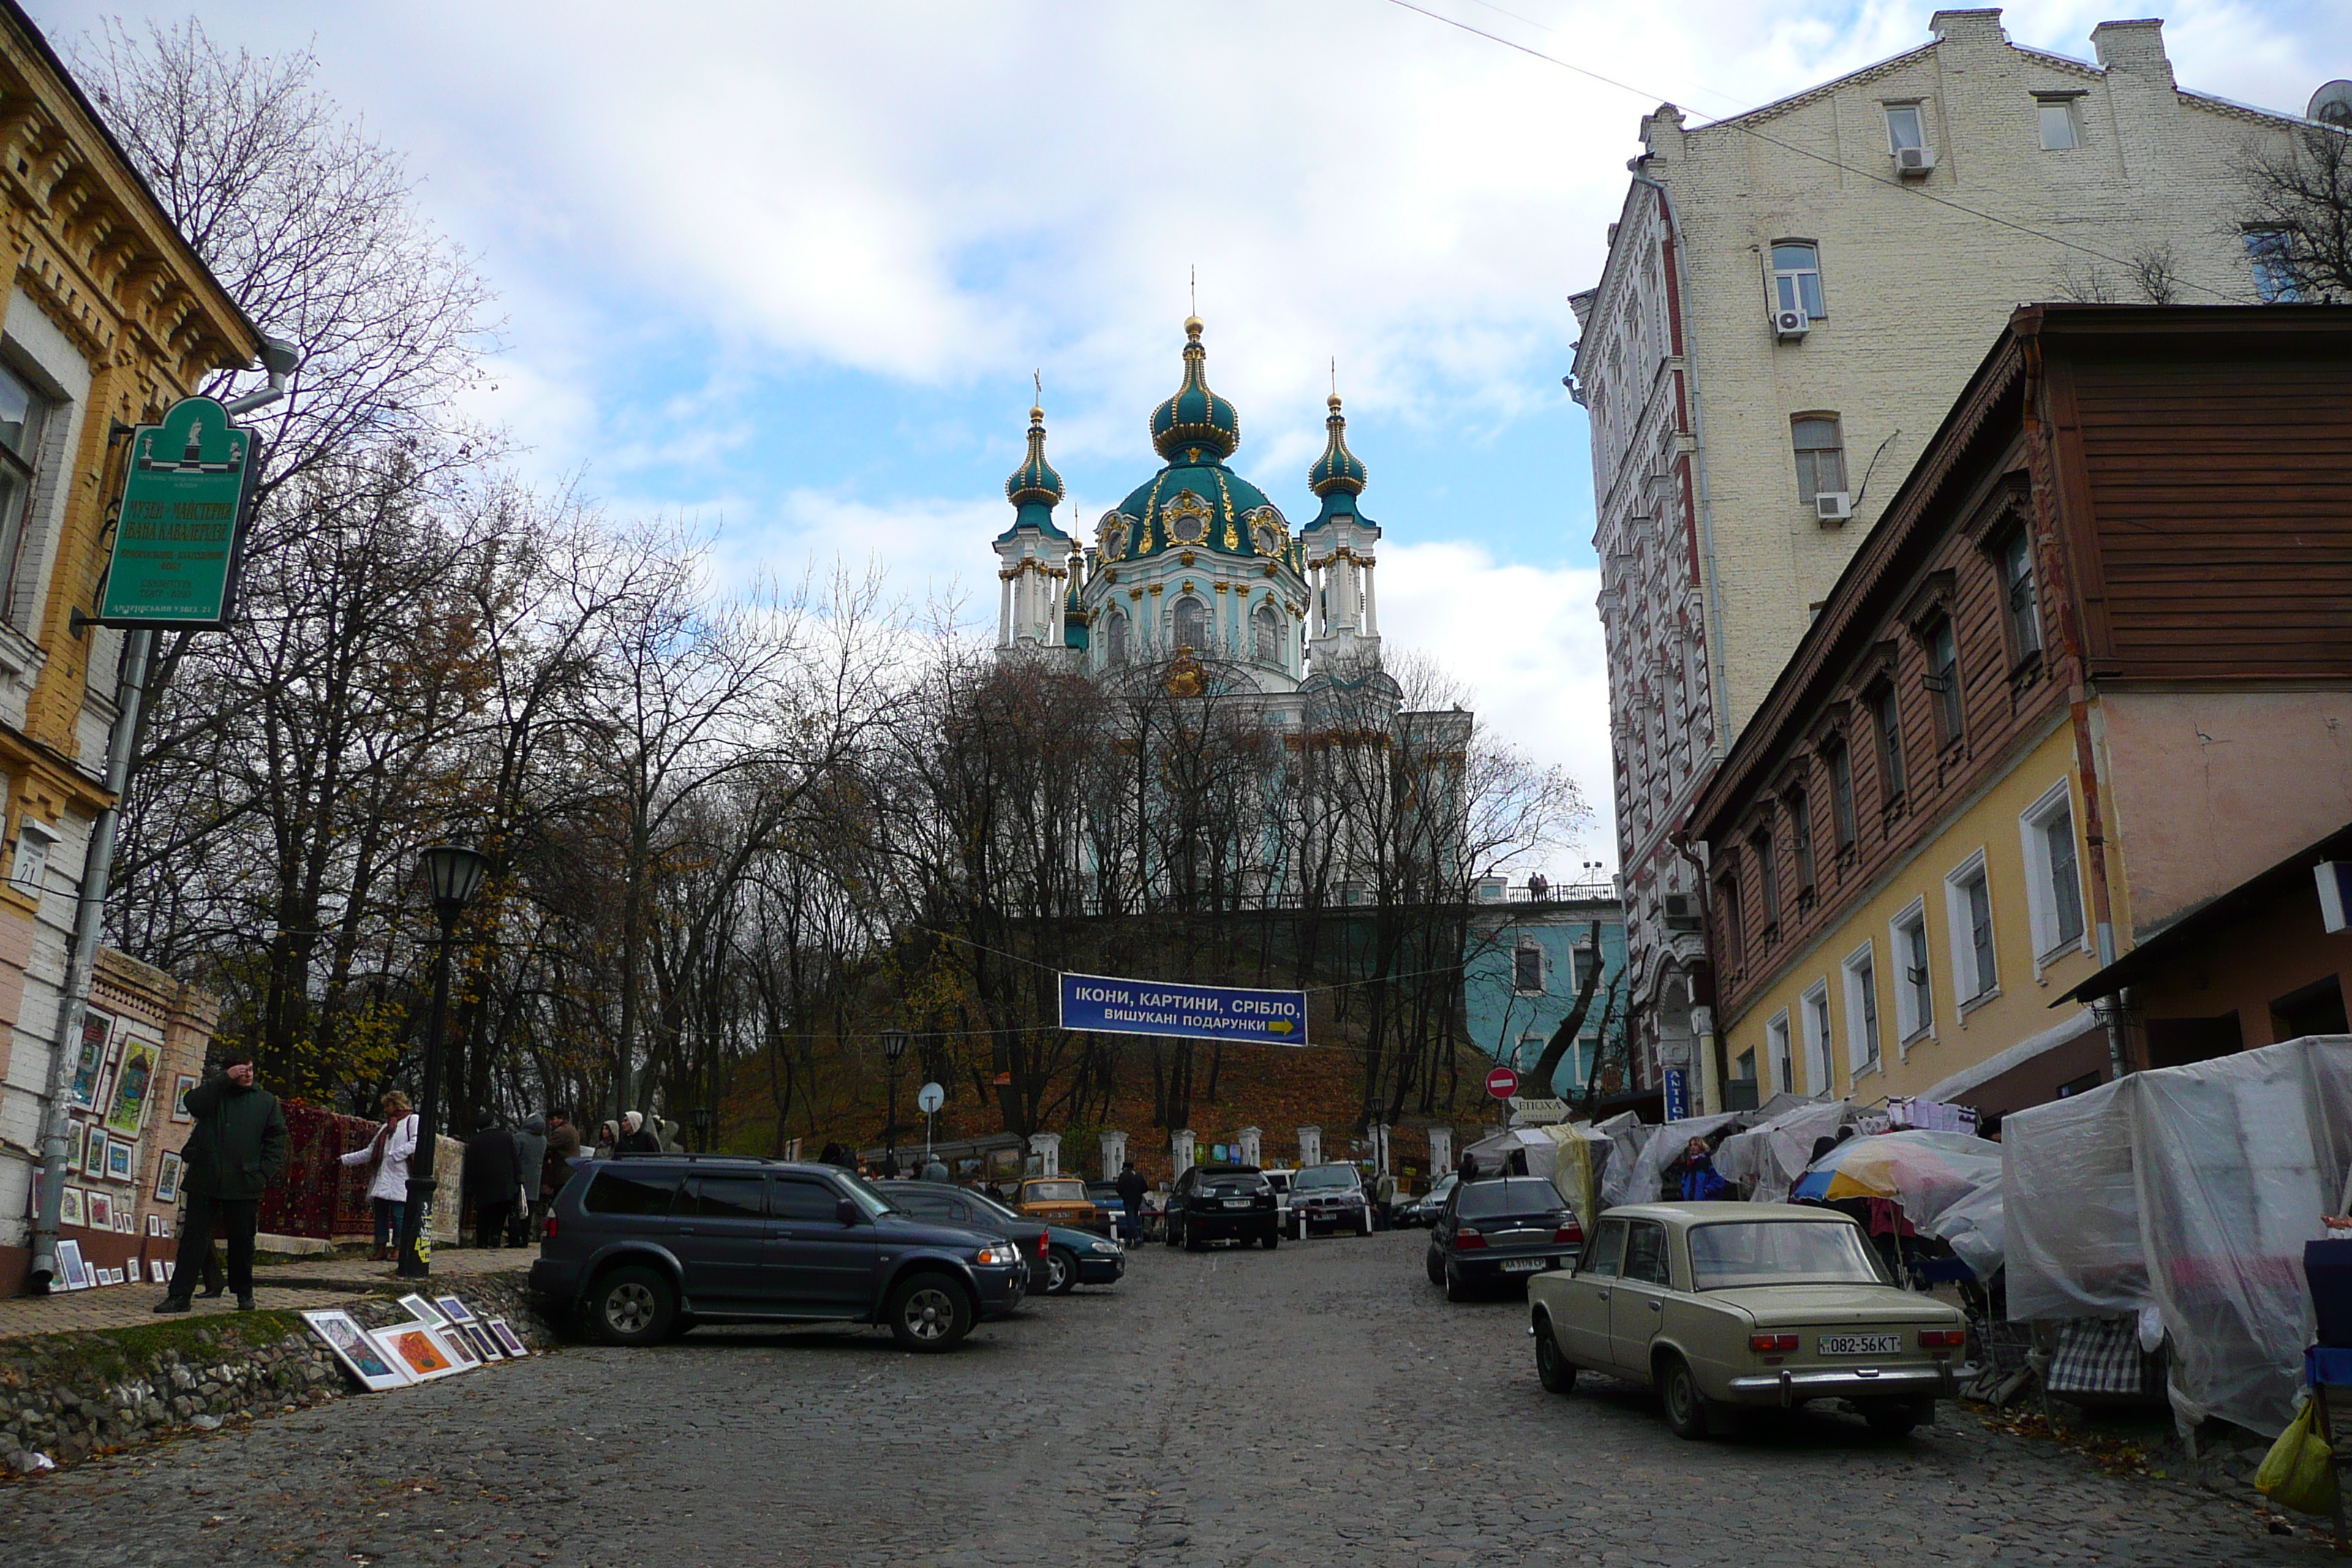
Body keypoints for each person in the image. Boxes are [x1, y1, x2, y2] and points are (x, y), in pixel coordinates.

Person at [155, 1047, 287, 1313]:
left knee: (242, 1241)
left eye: (250, 1069)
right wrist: (222, 1080)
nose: (247, 1075)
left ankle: (244, 1294)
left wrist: (263, 1171)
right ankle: (180, 1295)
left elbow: (276, 1139)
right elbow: (192, 1103)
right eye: (241, 1071)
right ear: (230, 1072)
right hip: (206, 1179)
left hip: (245, 1181)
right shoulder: (215, 1096)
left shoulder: (264, 1101)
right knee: (193, 1240)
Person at [338, 1090, 418, 1262]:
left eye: (388, 1106)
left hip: (400, 1176)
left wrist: (395, 1154)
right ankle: (380, 1247)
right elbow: (370, 1151)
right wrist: (344, 1160)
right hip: (383, 1176)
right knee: (380, 1216)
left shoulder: (413, 1120)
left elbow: (416, 1142)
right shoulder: (385, 1127)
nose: (385, 1110)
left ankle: (398, 1247)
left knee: (399, 1215)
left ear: (396, 1105)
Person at [461, 1112, 521, 1249]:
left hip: (484, 1182)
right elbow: (515, 1158)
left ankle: (482, 1240)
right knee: (501, 1211)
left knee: (484, 1212)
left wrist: (469, 1184)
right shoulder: (507, 1137)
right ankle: (496, 1235)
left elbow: (471, 1164)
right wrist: (519, 1178)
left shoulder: (476, 1141)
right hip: (505, 1182)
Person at [510, 1115, 549, 1245]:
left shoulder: (519, 1138)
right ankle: (525, 1239)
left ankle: (514, 1239)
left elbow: (514, 1158)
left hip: (519, 1179)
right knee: (529, 1212)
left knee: (516, 1210)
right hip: (535, 1181)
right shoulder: (543, 1140)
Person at [543, 1112, 581, 1205]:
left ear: (561, 1118)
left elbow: (546, 1147)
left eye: (553, 1119)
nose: (550, 1123)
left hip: (563, 1173)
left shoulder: (560, 1132)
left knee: (558, 1204)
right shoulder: (572, 1129)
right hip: (571, 1172)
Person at [1677, 1137, 1729, 1202]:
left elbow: (1718, 1180)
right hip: (1691, 1201)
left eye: (1695, 1145)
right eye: (1691, 1145)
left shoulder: (1708, 1162)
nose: (1693, 1147)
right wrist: (1685, 1192)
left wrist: (1707, 1190)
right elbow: (1685, 1181)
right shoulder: (1690, 1164)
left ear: (1701, 1146)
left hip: (1706, 1202)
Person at [1115, 1161, 1147, 1243]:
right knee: (1133, 1219)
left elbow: (1119, 1188)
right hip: (1137, 1200)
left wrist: (1123, 1194)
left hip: (1128, 1200)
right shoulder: (1139, 1175)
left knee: (1130, 1219)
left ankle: (1137, 1238)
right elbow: (1145, 1188)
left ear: (1125, 1168)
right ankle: (1128, 1239)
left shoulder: (1123, 1176)